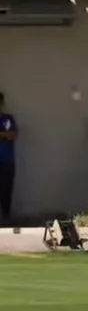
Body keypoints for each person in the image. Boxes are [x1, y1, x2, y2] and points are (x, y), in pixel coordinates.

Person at [0, 92, 17, 224]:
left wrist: (4, 134)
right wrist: (4, 135)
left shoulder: (7, 119)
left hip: (7, 162)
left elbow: (13, 134)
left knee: (6, 191)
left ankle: (6, 219)